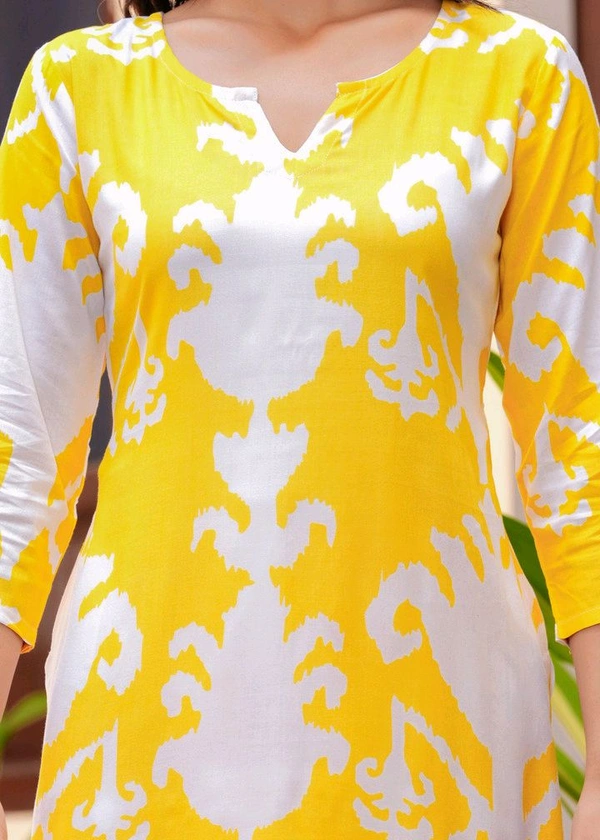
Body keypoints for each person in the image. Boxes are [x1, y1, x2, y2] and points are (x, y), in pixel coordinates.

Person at [0, 0, 599, 836]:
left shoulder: (521, 76)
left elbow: (582, 446)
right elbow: (17, 463)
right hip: (140, 737)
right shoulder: (78, 89)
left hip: (439, 733)